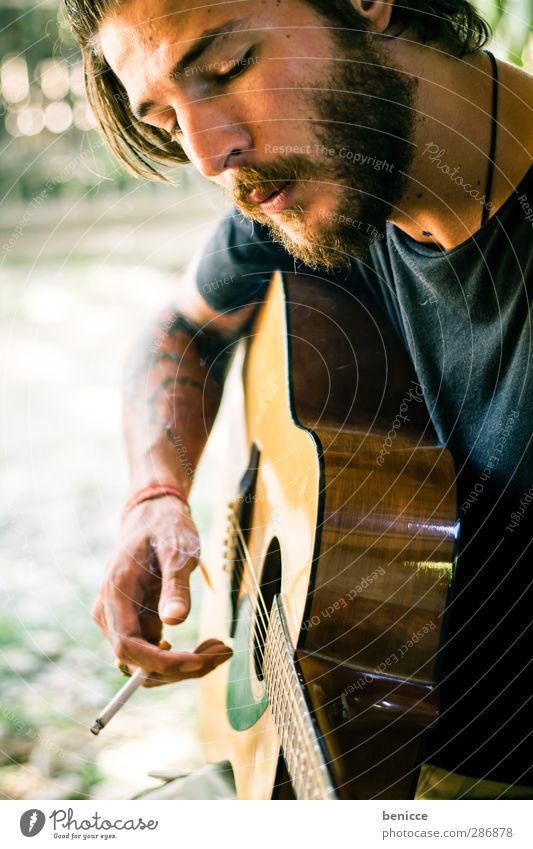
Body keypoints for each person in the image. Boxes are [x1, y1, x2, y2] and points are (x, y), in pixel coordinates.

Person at [63, 0, 533, 799]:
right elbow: (180, 329)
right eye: (168, 120)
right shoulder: (329, 182)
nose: (212, 155)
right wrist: (154, 492)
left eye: (226, 68)